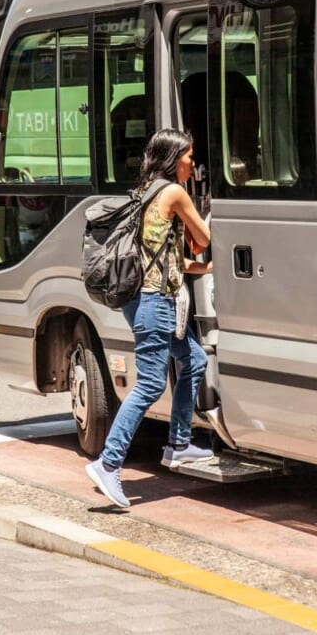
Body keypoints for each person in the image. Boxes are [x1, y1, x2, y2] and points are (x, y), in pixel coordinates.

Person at [86, 128, 214, 509]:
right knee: (150, 385)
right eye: (190, 156)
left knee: (194, 359)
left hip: (143, 298)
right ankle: (108, 464)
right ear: (176, 158)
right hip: (154, 302)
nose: (194, 163)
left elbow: (165, 255)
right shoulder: (174, 192)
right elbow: (204, 237)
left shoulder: (146, 191)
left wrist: (203, 269)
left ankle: (178, 444)